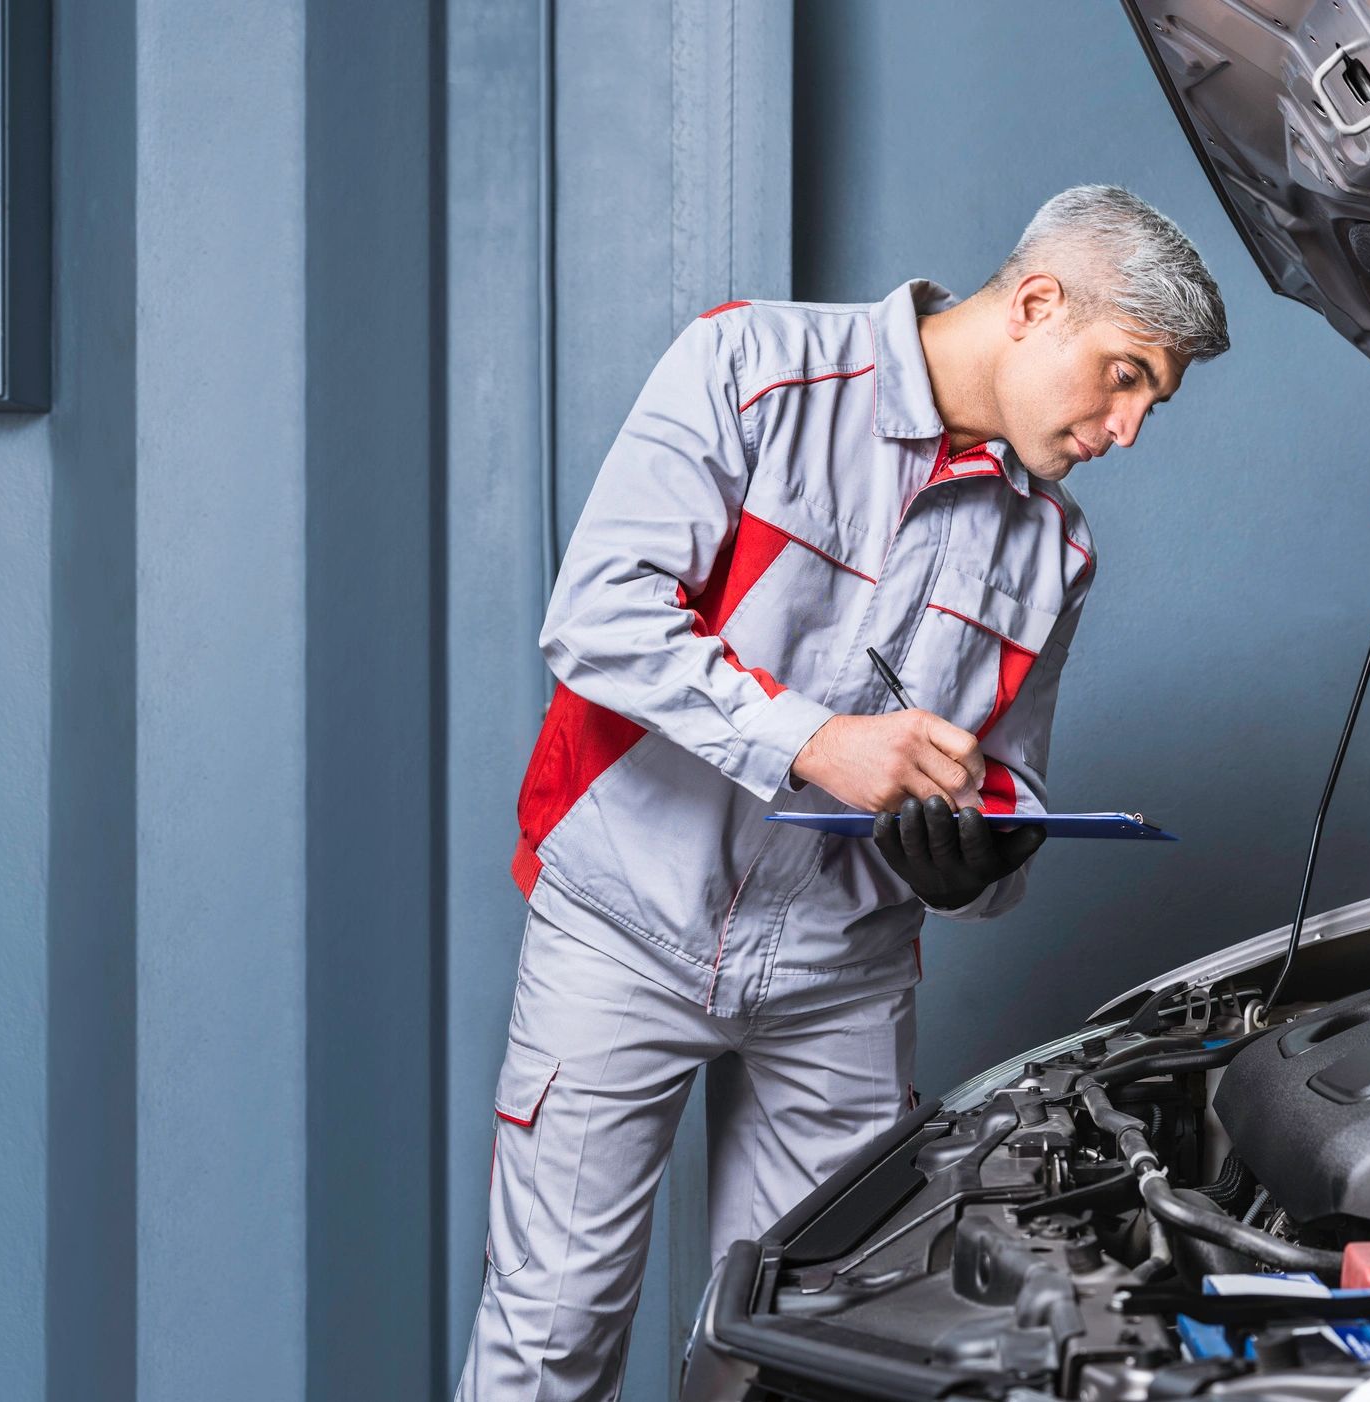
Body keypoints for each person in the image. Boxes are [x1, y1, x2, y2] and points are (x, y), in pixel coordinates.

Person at [456, 184, 1228, 1398]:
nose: (1127, 428)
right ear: (1036, 303)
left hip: (842, 980)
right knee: (549, 1345)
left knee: (800, 1364)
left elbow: (1009, 779)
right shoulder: (752, 366)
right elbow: (597, 615)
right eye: (1124, 374)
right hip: (621, 930)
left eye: (1152, 400)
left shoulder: (1058, 551)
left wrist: (979, 864)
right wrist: (817, 741)